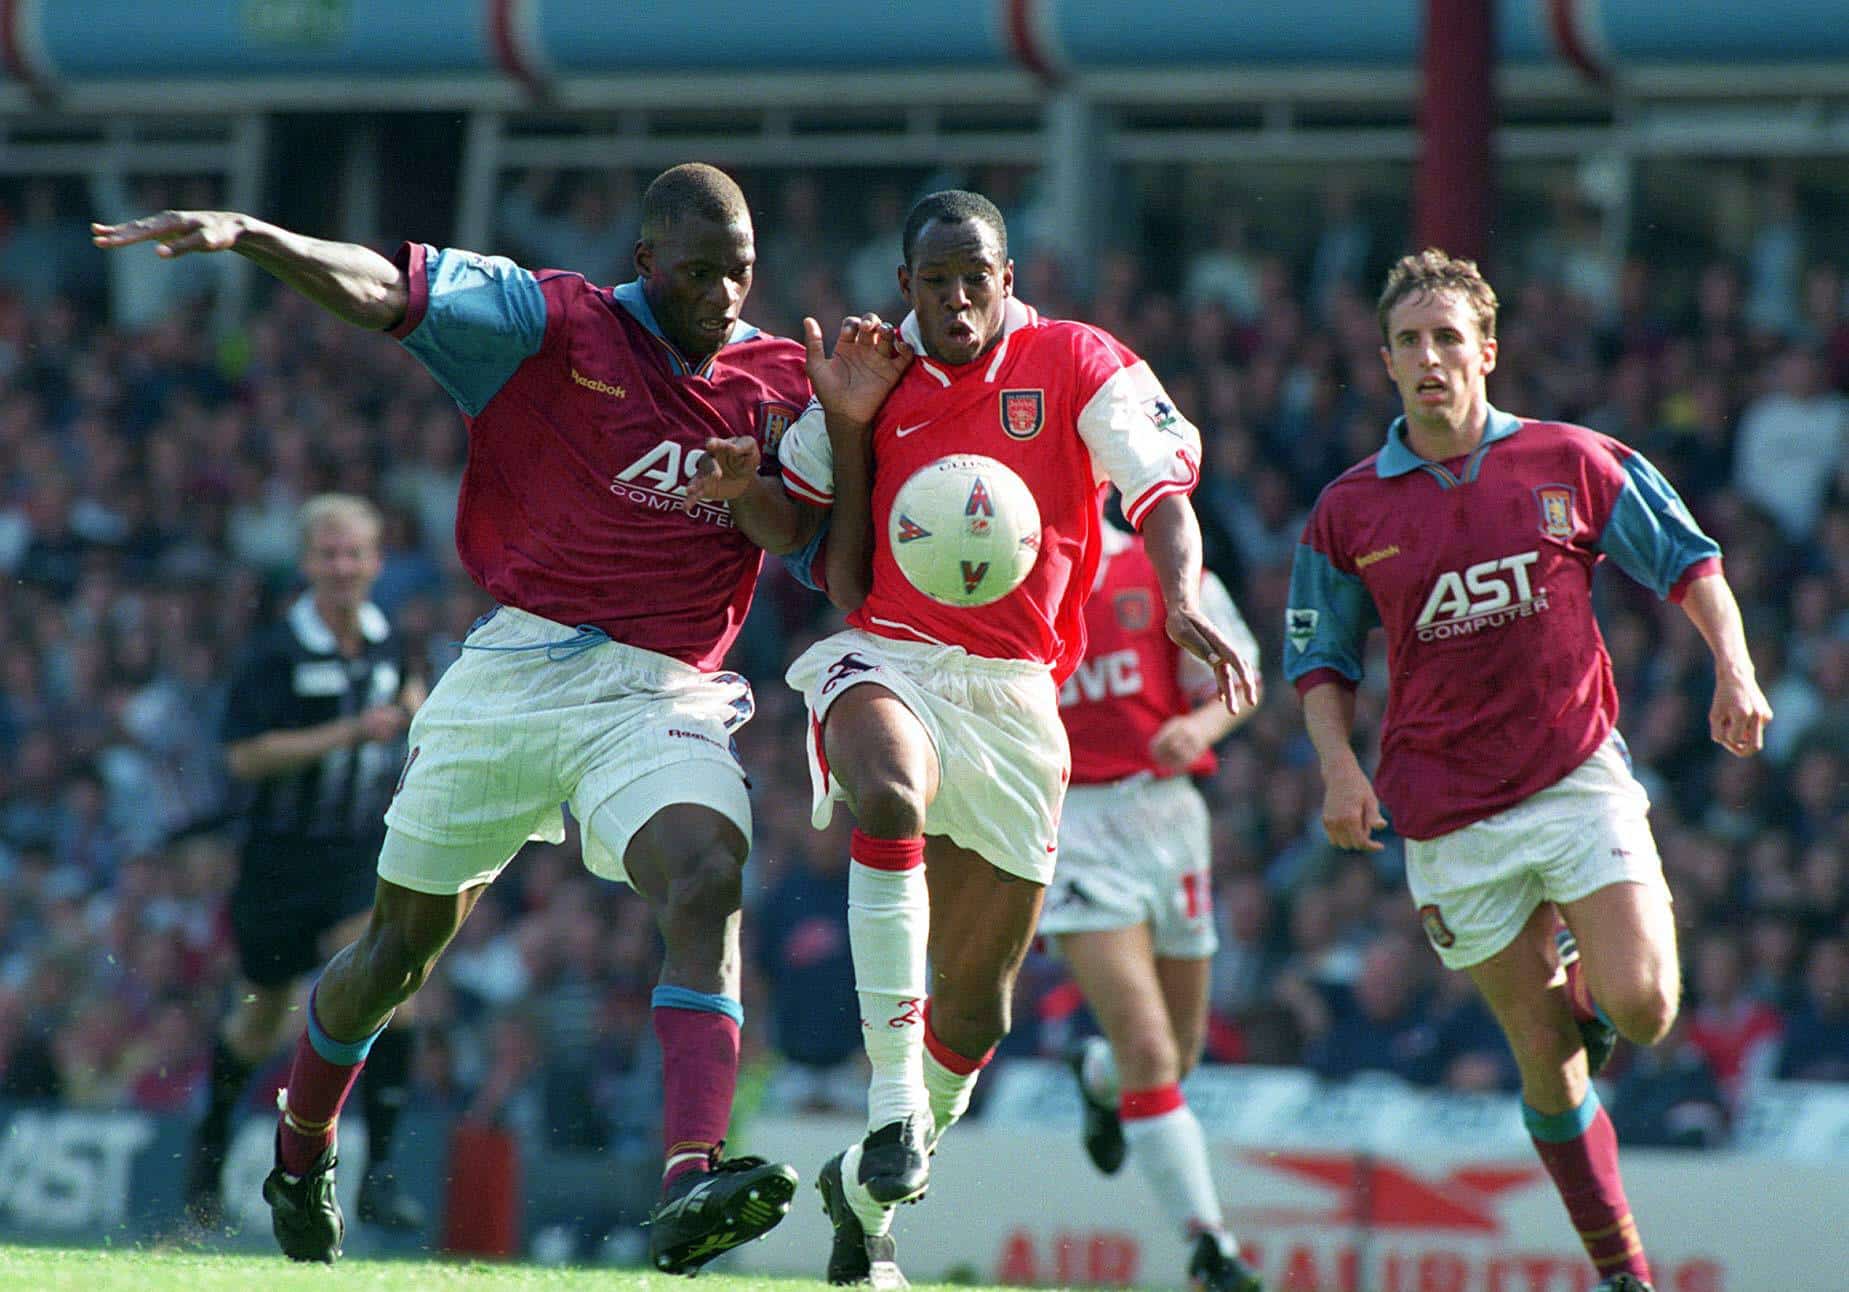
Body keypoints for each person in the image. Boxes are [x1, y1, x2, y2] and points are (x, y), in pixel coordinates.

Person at [92, 162, 859, 1272]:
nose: (724, 295)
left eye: (739, 273)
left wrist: (757, 481)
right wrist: (258, 234)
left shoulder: (782, 378)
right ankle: (301, 1147)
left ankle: (693, 1172)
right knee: (398, 951)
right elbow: (385, 291)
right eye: (699, 273)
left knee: (707, 875)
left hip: (660, 691)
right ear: (646, 262)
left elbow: (795, 541)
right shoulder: (551, 320)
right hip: (510, 677)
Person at [689, 189, 1258, 1288]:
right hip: (889, 654)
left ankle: (866, 1202)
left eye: (976, 278)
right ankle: (893, 1104)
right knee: (888, 794)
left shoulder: (1080, 360)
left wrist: (1181, 590)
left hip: (1014, 693)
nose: (957, 300)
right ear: (906, 286)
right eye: (935, 281)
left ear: (1008, 275)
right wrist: (744, 487)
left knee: (978, 1001)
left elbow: (1163, 496)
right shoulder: (868, 363)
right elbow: (794, 526)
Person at [1285, 248, 1773, 1292]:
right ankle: (1621, 1271)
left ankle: (1592, 989)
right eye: (1409, 340)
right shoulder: (1347, 510)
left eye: (1448, 337)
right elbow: (1318, 657)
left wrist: (1731, 666)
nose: (1430, 356)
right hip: (1443, 815)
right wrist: (1336, 768)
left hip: (1572, 773)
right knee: (1542, 1056)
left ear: (1487, 351)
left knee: (1643, 1006)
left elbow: (1691, 561)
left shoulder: (1572, 458)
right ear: (1383, 361)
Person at [185, 494, 426, 1234]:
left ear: (376, 562)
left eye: (354, 553)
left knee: (395, 989)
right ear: (306, 562)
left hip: (357, 855)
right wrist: (347, 733)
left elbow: (410, 701)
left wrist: (416, 709)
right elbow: (244, 756)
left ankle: (380, 1174)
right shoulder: (274, 652)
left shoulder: (390, 643)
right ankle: (210, 1149)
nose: (342, 566)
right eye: (328, 553)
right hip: (277, 866)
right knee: (258, 1023)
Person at [1049, 518, 1265, 1291]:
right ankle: (1212, 1248)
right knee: (1150, 1048)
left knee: (1176, 1054)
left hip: (1167, 815)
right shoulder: (998, 567)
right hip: (1071, 824)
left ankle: (1097, 1075)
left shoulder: (1162, 569)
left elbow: (1241, 672)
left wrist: (1199, 723)